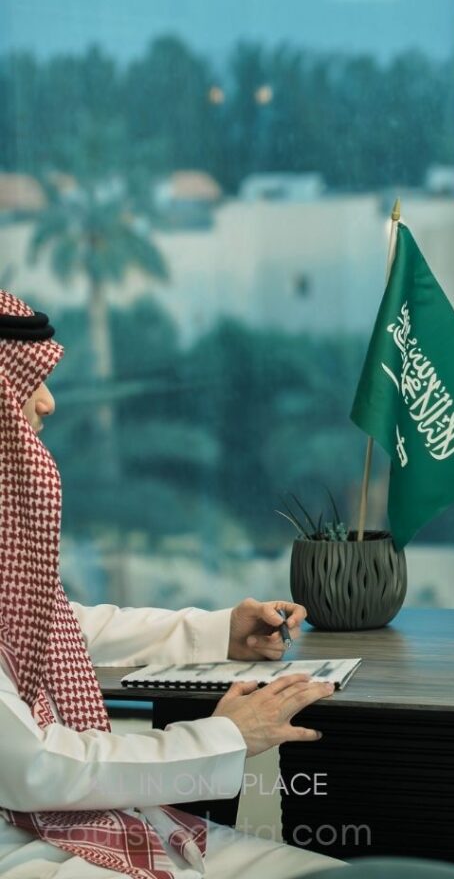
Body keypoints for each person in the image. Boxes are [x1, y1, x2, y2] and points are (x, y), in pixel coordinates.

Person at [0, 290, 343, 878]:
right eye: (25, 381)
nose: (48, 404)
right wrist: (223, 737)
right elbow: (35, 770)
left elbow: (49, 625)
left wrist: (216, 634)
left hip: (68, 820)